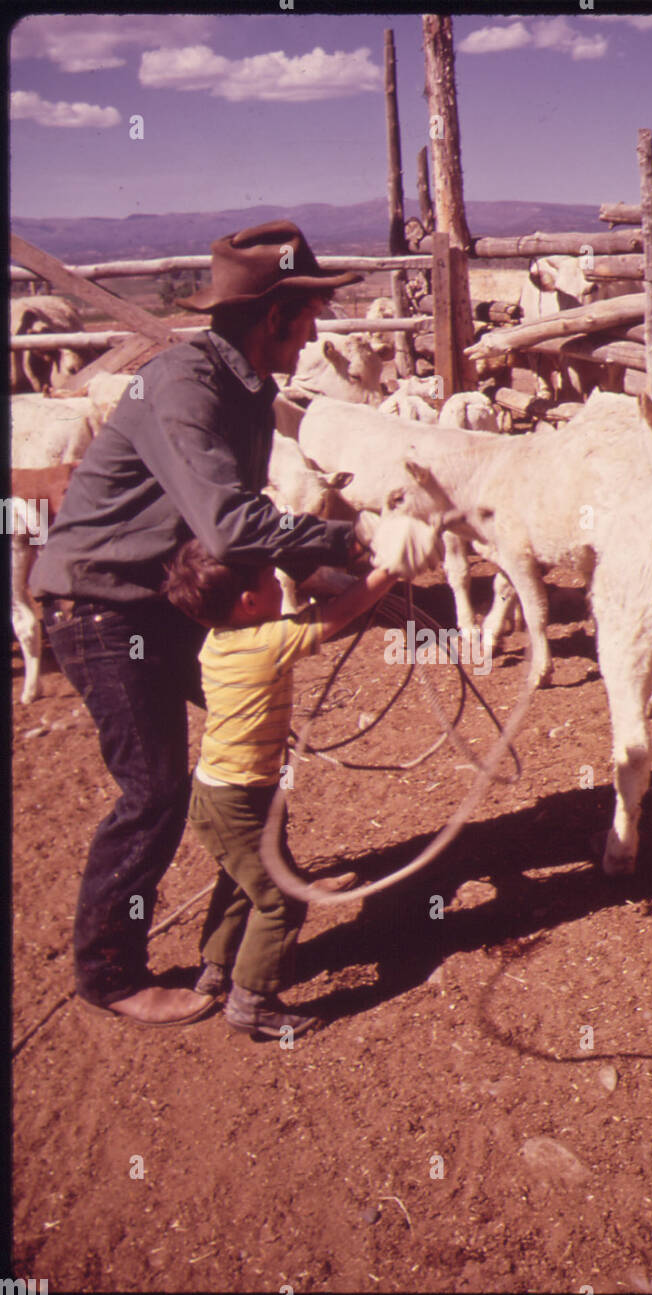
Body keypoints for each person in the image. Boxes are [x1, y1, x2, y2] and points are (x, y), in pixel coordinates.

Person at [29, 220, 372, 1026]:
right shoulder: (186, 387)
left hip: (161, 598)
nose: (317, 329)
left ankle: (268, 886)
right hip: (103, 604)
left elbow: (236, 530)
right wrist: (350, 541)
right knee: (153, 792)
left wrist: (329, 575)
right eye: (309, 313)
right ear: (272, 318)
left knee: (247, 734)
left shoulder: (242, 390)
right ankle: (109, 973)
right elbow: (230, 528)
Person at [162, 515, 440, 1040]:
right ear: (249, 603)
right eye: (272, 580)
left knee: (242, 880)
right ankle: (252, 998)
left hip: (223, 793)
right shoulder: (268, 643)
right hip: (238, 797)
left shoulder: (218, 643)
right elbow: (340, 612)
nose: (280, 586)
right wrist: (388, 570)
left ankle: (217, 967)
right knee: (281, 898)